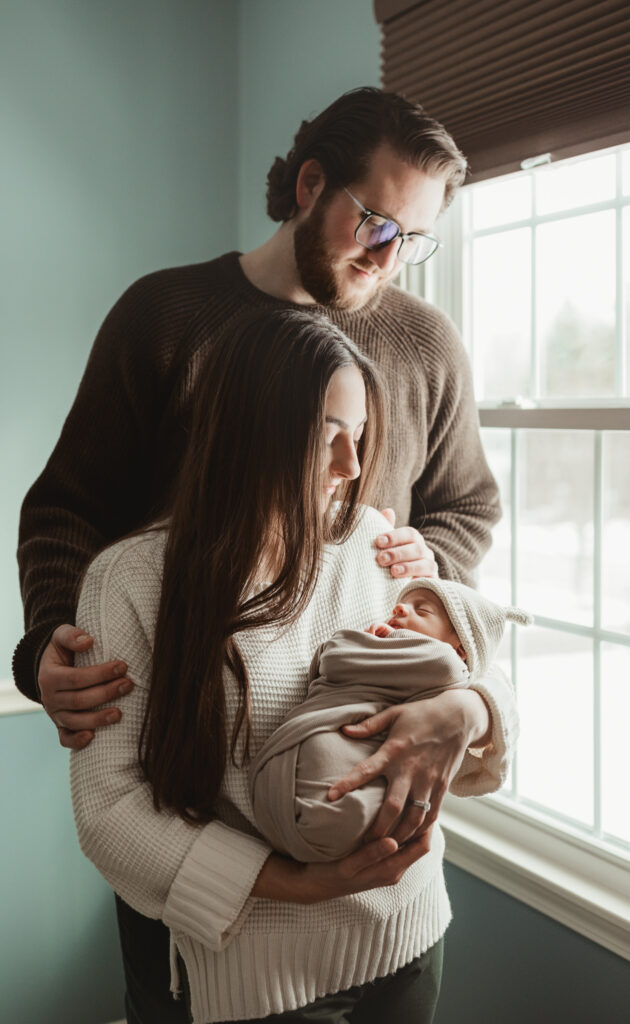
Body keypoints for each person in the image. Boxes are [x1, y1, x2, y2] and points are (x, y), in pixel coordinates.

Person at [14, 87, 502, 1020]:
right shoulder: (164, 317)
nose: (389, 255)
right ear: (309, 185)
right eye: (373, 220)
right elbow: (69, 507)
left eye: (414, 236)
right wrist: (47, 643)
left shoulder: (424, 344)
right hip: (194, 780)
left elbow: (467, 509)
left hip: (358, 800)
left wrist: (409, 570)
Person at [70, 308, 517, 1024]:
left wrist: (469, 708)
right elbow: (110, 812)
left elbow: (477, 668)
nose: (349, 469)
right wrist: (296, 882)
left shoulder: (376, 545)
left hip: (408, 933)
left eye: (360, 436)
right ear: (245, 433)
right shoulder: (129, 582)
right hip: (251, 977)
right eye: (326, 436)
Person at [250, 580, 529, 862]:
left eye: (421, 610)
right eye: (404, 604)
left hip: (340, 797)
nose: (398, 608)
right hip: (280, 796)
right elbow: (329, 668)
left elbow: (334, 655)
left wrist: (367, 644)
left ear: (459, 649)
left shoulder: (445, 666)